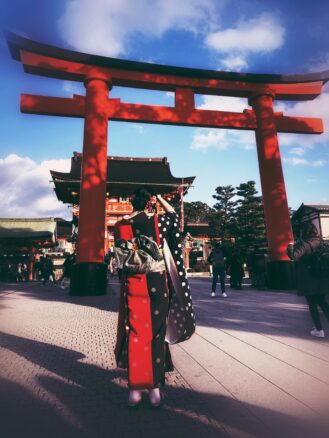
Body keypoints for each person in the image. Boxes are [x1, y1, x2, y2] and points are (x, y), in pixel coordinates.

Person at [114, 188, 195, 408]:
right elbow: (175, 218)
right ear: (149, 203)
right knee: (156, 333)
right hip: (157, 282)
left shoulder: (120, 225)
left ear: (131, 202)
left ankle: (135, 389)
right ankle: (155, 389)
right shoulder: (159, 223)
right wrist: (160, 198)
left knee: (136, 332)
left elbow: (121, 259)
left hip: (133, 282)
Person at [287, 222, 329, 338]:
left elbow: (294, 256)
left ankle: (319, 330)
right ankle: (319, 328)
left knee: (312, 304)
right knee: (323, 302)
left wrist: (290, 246)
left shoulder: (305, 244)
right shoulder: (322, 242)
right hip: (323, 277)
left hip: (310, 279)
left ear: (304, 232)